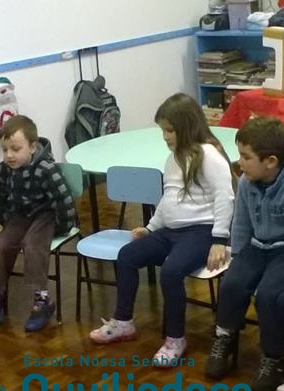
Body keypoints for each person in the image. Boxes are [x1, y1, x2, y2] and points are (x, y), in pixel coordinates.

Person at [88, 93, 234, 366]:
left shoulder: (210, 155)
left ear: (186, 126)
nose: (165, 136)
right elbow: (169, 199)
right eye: (163, 130)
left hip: (201, 232)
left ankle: (175, 339)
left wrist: (219, 239)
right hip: (170, 232)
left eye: (169, 130)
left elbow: (225, 198)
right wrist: (150, 227)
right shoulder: (173, 159)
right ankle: (123, 322)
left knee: (171, 272)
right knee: (127, 256)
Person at [204, 116, 284, 391]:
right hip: (257, 247)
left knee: (269, 295)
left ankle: (275, 357)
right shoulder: (247, 182)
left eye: (246, 157)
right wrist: (238, 257)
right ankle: (224, 337)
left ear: (270, 161)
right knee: (232, 284)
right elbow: (241, 222)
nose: (240, 162)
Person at [0, 115, 76, 331]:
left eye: (16, 149)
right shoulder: (2, 170)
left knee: (33, 245)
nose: (9, 155)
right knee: (3, 242)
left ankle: (42, 299)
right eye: (5, 149)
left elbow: (64, 200)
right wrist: (7, 222)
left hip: (46, 214)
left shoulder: (46, 168)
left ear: (33, 147)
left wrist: (62, 228)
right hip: (20, 214)